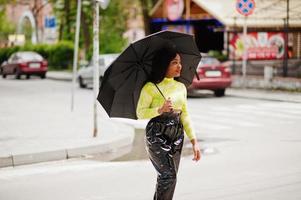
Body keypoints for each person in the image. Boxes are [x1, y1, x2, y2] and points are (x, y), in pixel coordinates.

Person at [136, 43, 201, 200]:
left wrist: (194, 141)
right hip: (157, 133)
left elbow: (184, 114)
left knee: (167, 178)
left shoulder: (181, 87)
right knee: (168, 177)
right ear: (163, 64)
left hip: (177, 134)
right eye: (174, 62)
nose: (179, 66)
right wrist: (159, 109)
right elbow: (140, 113)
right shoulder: (150, 87)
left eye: (179, 62)